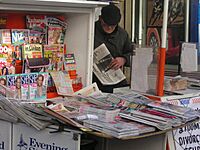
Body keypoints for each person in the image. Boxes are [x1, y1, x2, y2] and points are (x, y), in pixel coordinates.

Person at [93, 4, 133, 93]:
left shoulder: (122, 34)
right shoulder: (90, 29)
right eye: (106, 25)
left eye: (113, 25)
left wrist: (124, 59)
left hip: (115, 81)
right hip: (93, 80)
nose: (109, 28)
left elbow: (132, 54)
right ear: (100, 18)